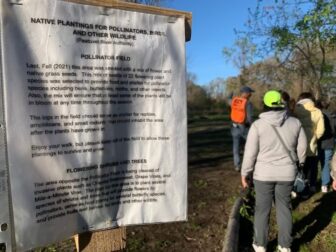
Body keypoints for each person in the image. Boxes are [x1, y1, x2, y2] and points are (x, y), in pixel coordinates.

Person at [241, 90, 307, 252]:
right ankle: (285, 246)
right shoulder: (295, 123)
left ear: (265, 104)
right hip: (287, 173)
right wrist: (300, 164)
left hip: (263, 175)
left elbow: (250, 153)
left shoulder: (257, 125)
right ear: (281, 104)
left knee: (262, 209)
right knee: (284, 208)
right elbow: (303, 148)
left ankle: (260, 245)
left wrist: (245, 173)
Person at [295, 92, 324, 195]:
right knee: (312, 167)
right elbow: (321, 130)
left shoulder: (295, 110)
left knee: (299, 166)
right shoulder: (317, 111)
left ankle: (297, 187)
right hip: (312, 145)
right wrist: (315, 138)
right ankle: (311, 186)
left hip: (297, 144)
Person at [230, 86, 254, 171]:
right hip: (244, 127)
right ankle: (248, 165)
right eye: (250, 93)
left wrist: (230, 96)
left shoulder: (234, 100)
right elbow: (250, 117)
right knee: (250, 146)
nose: (251, 94)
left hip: (234, 126)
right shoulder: (248, 103)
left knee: (235, 147)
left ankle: (237, 165)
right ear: (246, 93)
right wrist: (253, 127)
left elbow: (229, 101)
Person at [316, 99, 335, 193]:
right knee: (326, 164)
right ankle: (324, 185)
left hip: (317, 142)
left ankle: (311, 184)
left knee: (314, 164)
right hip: (329, 142)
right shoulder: (332, 115)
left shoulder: (315, 114)